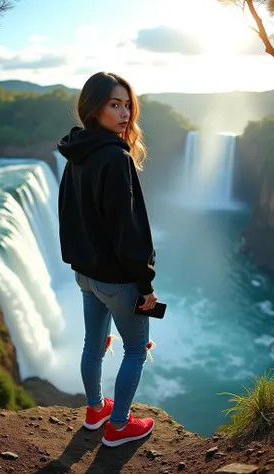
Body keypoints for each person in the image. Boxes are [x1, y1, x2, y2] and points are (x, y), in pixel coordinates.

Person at [57, 71, 158, 447]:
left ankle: (95, 409)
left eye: (128, 104)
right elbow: (127, 231)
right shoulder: (116, 158)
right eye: (114, 104)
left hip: (87, 276)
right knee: (135, 349)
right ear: (94, 108)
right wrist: (145, 285)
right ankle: (118, 426)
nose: (125, 113)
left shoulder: (75, 153)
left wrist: (79, 264)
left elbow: (67, 214)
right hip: (117, 280)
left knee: (93, 344)